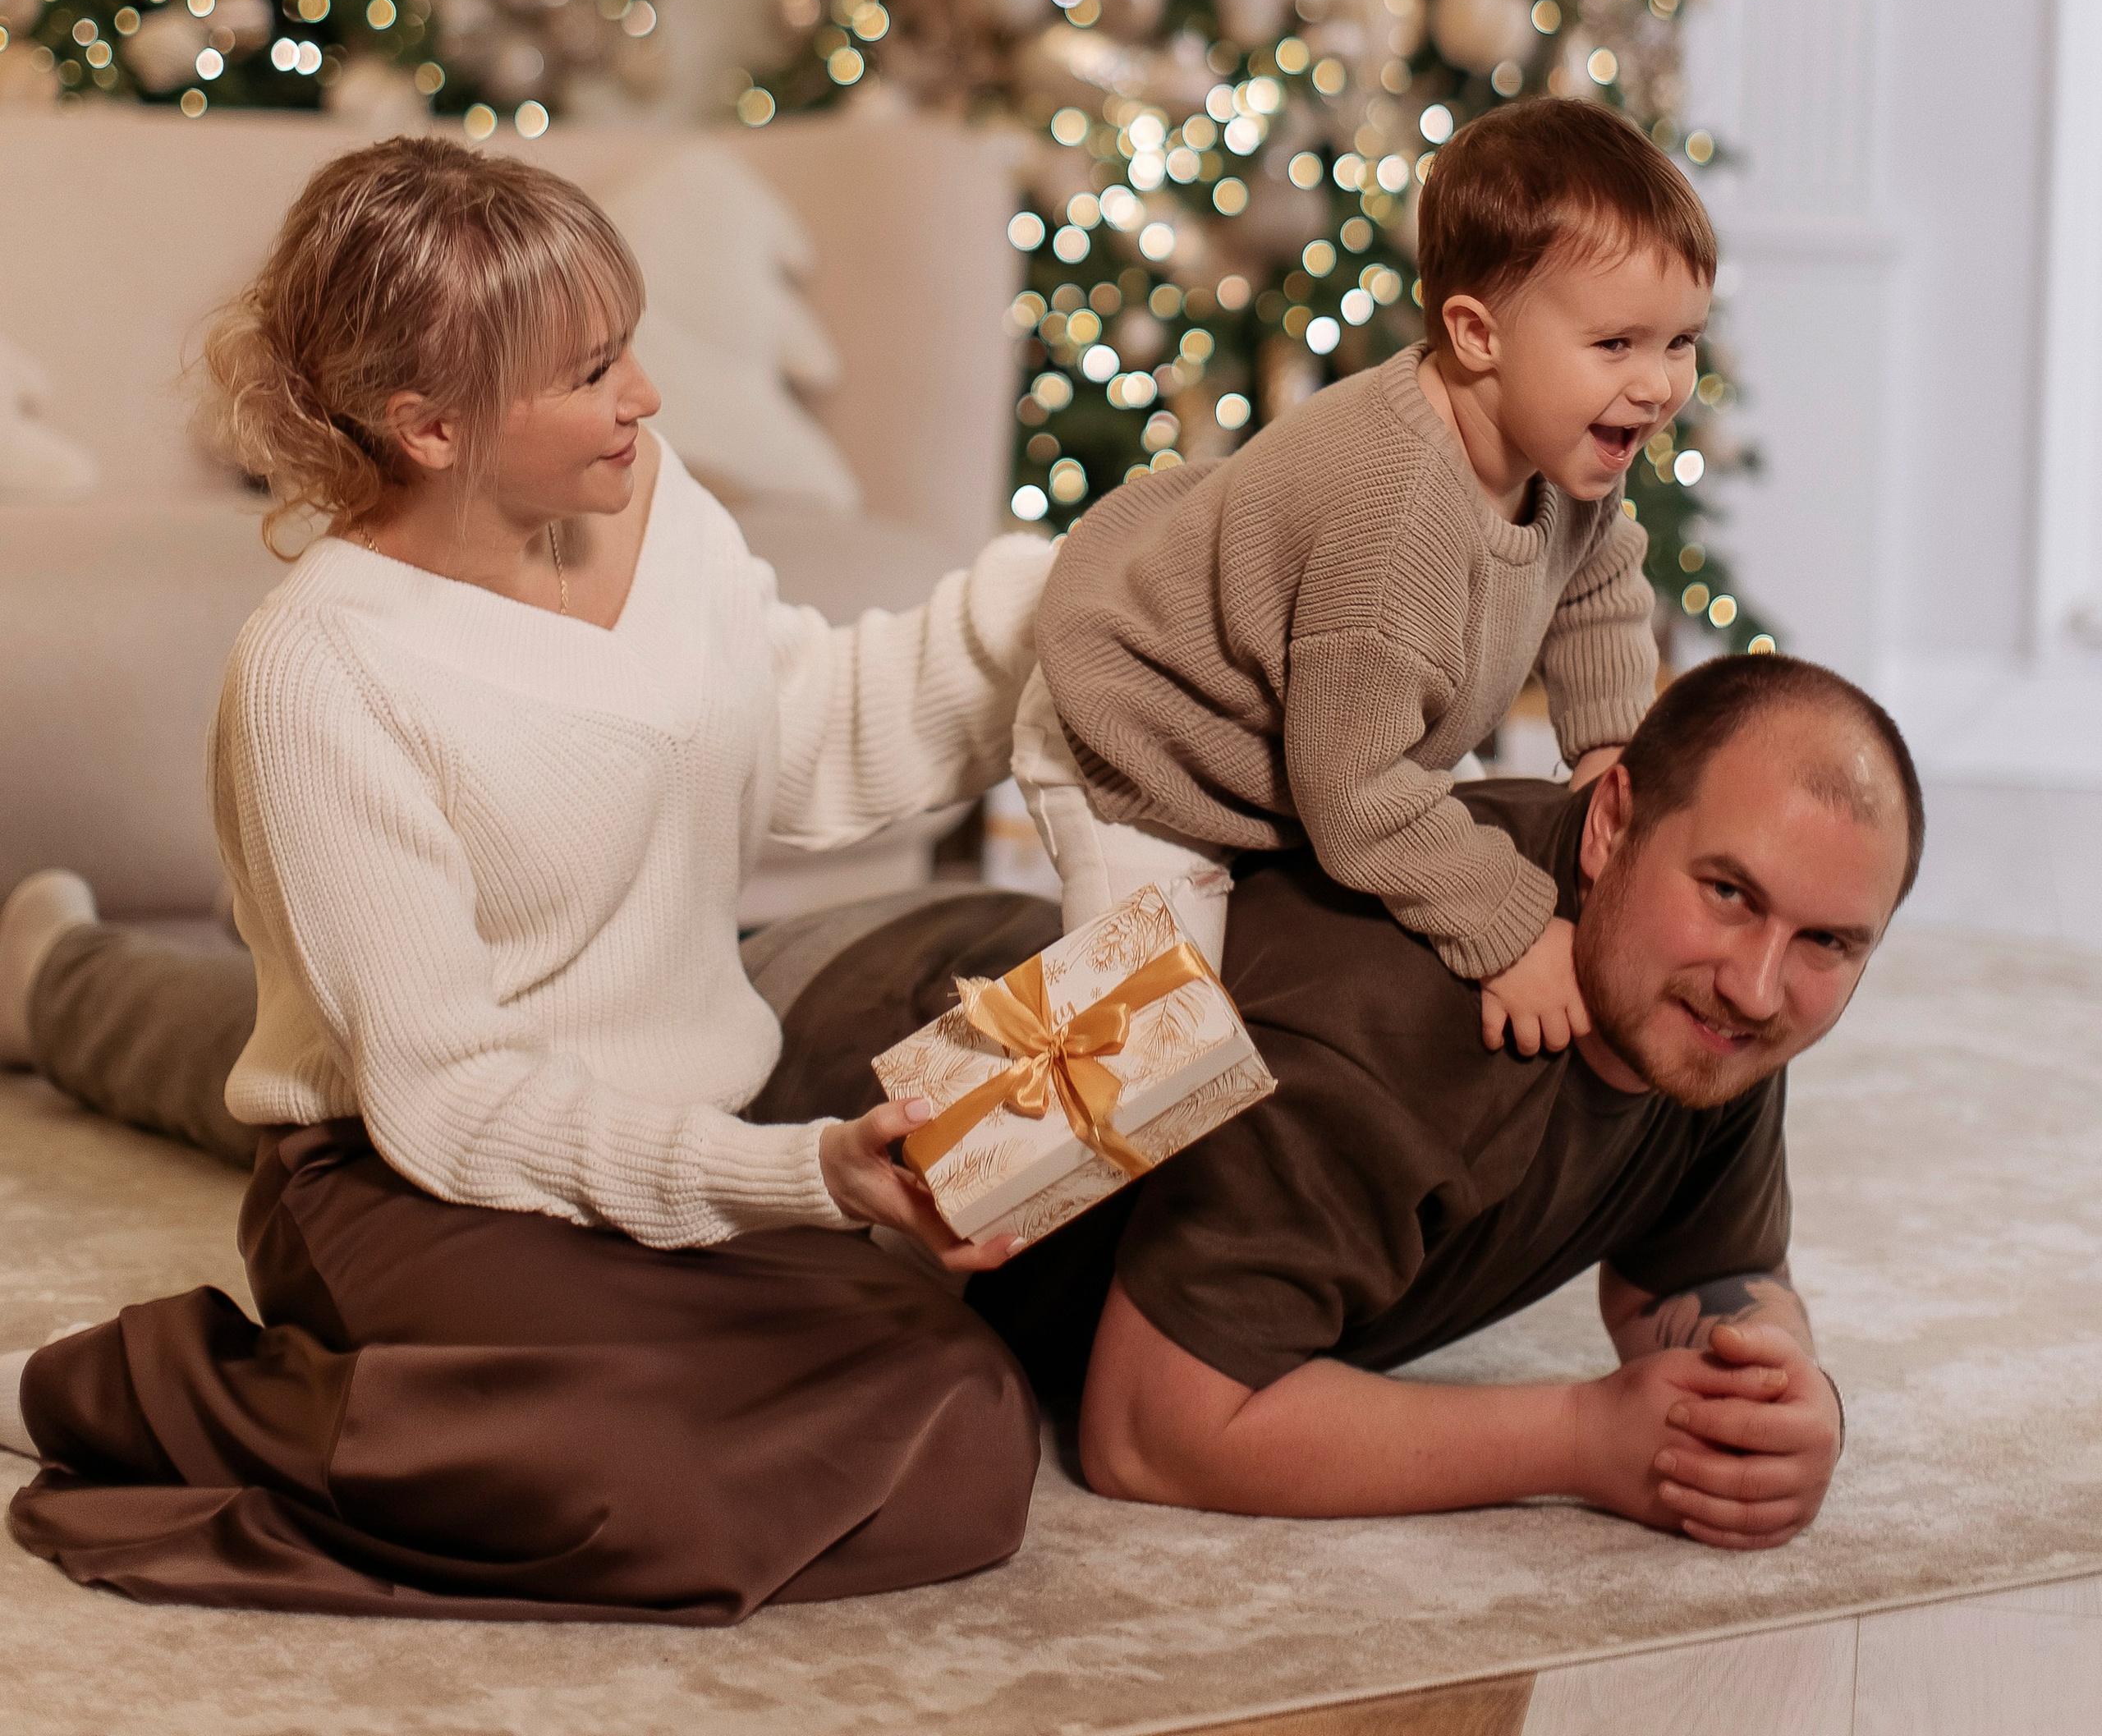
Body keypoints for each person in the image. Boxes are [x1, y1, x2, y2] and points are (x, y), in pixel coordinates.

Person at [1, 135, 1058, 1624]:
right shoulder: (322, 672)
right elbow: (458, 1105)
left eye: (628, 347)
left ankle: (447, 1408)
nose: (646, 396)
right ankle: (165, 1390)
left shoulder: (647, 497)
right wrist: (799, 1177)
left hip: (655, 1144)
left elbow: (795, 740)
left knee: (958, 1416)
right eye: (591, 371)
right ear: (429, 426)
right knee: (655, 1486)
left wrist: (1053, 609)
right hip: (417, 1183)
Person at [977, 653, 1921, 1552]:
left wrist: (1780, 1401)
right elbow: (1150, 1433)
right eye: (1728, 892)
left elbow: (1695, 1277)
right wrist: (1582, 1437)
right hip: (883, 1095)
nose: (1759, 988)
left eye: (1828, 943)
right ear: (1610, 823)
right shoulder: (1386, 1030)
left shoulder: (1698, 999)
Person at [1017, 97, 1714, 1057]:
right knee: (1136, 1055)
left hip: (1338, 733)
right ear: (1477, 335)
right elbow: (1353, 800)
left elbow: (1597, 584)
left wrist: (1605, 757)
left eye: (1680, 341)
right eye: (1615, 345)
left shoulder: (1567, 451)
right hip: (1150, 738)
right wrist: (1511, 934)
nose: (1658, 385)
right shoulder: (1395, 527)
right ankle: (947, 1190)